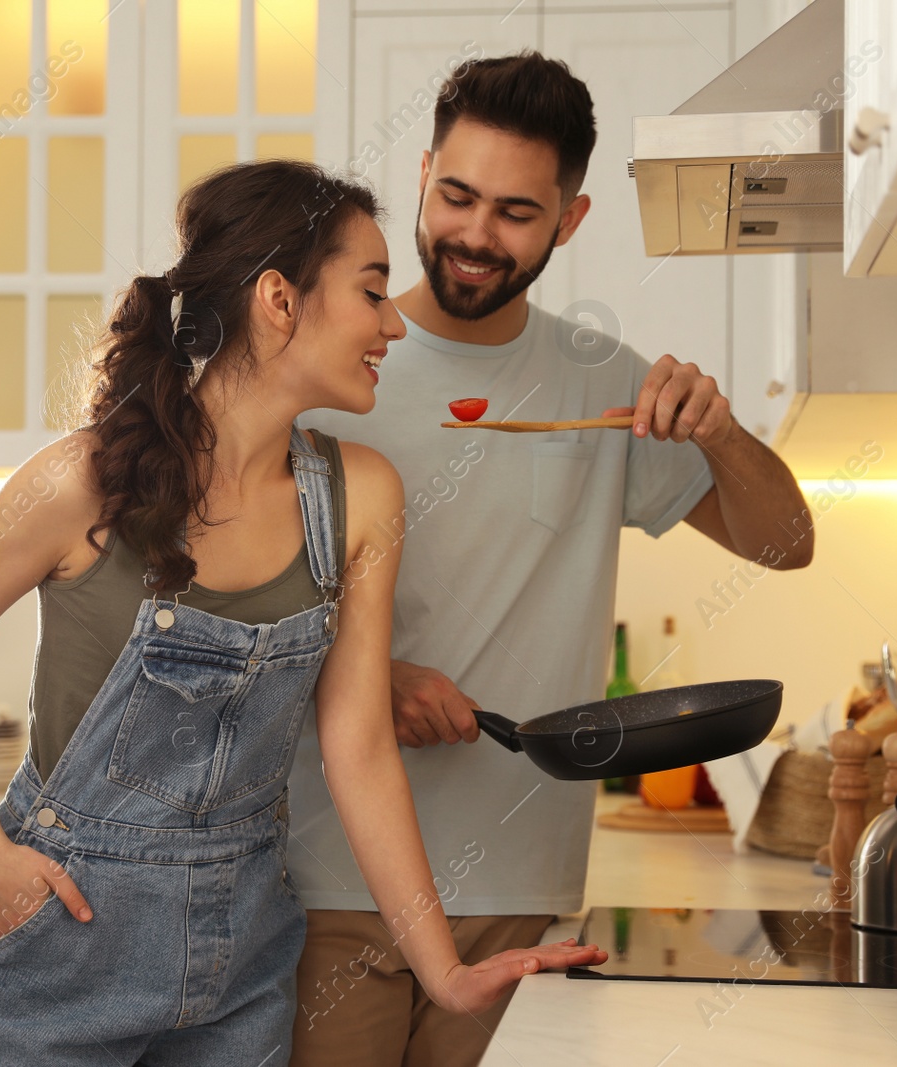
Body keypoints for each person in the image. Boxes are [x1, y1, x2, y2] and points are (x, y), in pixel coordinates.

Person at [0, 159, 606, 1067]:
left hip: (242, 963)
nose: (393, 323)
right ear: (280, 298)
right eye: (373, 291)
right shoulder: (81, 481)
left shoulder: (360, 499)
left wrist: (445, 973)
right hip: (62, 946)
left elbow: (358, 748)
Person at [288, 53, 814, 1067]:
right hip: (326, 876)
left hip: (522, 888)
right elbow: (225, 602)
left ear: (568, 221)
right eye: (457, 195)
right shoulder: (332, 368)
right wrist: (365, 677)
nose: (476, 234)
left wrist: (720, 431)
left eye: (516, 212)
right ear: (424, 174)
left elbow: (785, 544)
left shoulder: (603, 383)